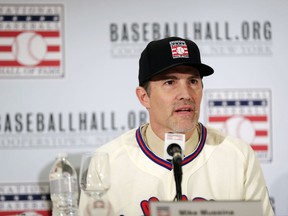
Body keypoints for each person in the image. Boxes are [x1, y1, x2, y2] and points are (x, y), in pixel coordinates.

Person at [79, 37, 275, 216]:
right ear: (144, 97)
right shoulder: (106, 162)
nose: (186, 94)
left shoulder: (238, 156)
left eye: (193, 81)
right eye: (170, 82)